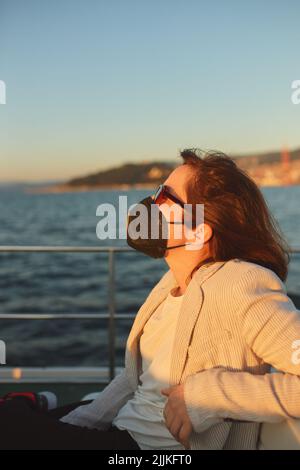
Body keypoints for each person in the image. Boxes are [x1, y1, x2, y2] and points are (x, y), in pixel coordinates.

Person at [1, 148, 300, 450]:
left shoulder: (241, 282)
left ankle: (25, 406)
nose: (150, 204)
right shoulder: (172, 283)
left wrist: (210, 394)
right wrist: (82, 420)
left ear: (200, 231)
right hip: (123, 432)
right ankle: (28, 408)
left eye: (164, 197)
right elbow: (135, 379)